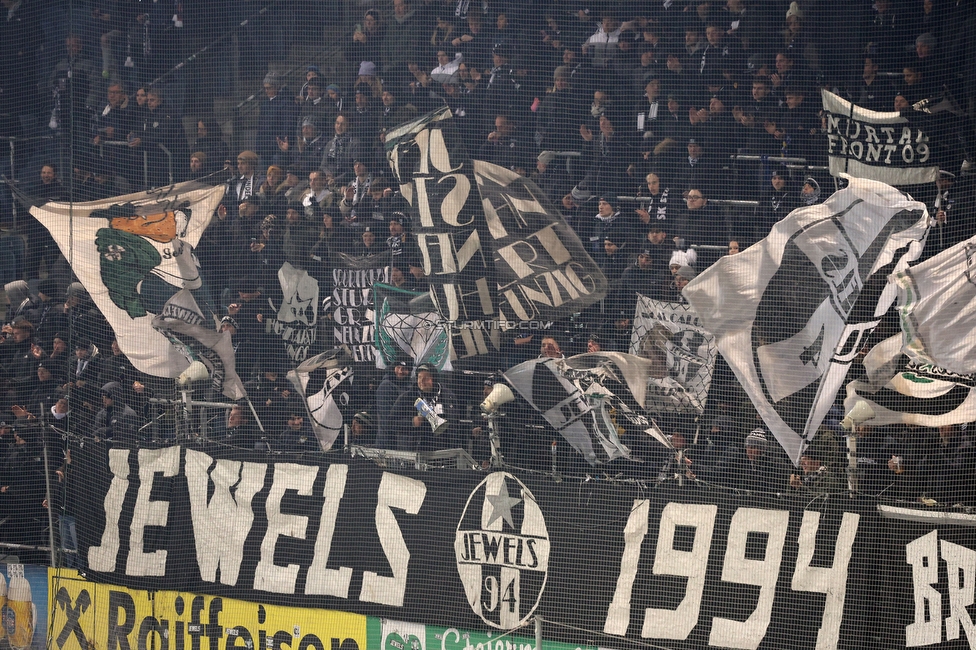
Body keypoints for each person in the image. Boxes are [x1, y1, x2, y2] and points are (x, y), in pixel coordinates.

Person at [390, 363, 459, 452]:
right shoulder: (407, 397)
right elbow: (391, 422)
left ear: (434, 379)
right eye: (419, 377)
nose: (422, 381)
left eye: (426, 378)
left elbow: (455, 423)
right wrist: (411, 422)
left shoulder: (448, 397)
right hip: (415, 450)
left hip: (442, 451)